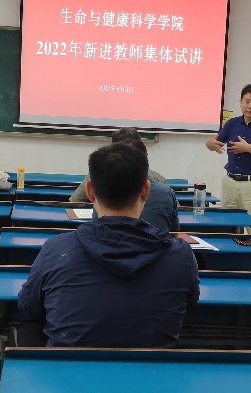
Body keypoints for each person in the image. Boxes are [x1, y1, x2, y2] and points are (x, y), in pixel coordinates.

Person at [18, 142, 199, 347]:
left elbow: (28, 306)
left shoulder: (57, 249)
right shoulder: (180, 257)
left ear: (90, 191)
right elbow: (189, 303)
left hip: (69, 366)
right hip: (152, 367)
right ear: (146, 191)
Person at [70, 128, 178, 233]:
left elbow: (74, 201)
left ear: (90, 190)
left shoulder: (98, 176)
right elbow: (175, 215)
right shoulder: (161, 184)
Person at [205, 84, 251, 233]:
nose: (250, 106)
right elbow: (213, 141)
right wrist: (210, 143)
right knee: (227, 227)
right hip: (230, 183)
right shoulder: (232, 124)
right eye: (247, 101)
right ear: (240, 102)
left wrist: (249, 148)